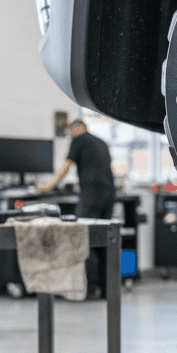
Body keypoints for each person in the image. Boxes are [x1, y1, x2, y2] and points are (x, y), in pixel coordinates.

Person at [37, 119, 116, 296]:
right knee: (104, 239)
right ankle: (106, 289)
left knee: (83, 237)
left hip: (92, 194)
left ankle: (87, 288)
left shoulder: (79, 139)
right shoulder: (101, 142)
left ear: (77, 128)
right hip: (109, 194)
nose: (70, 135)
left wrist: (48, 186)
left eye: (71, 131)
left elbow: (66, 166)